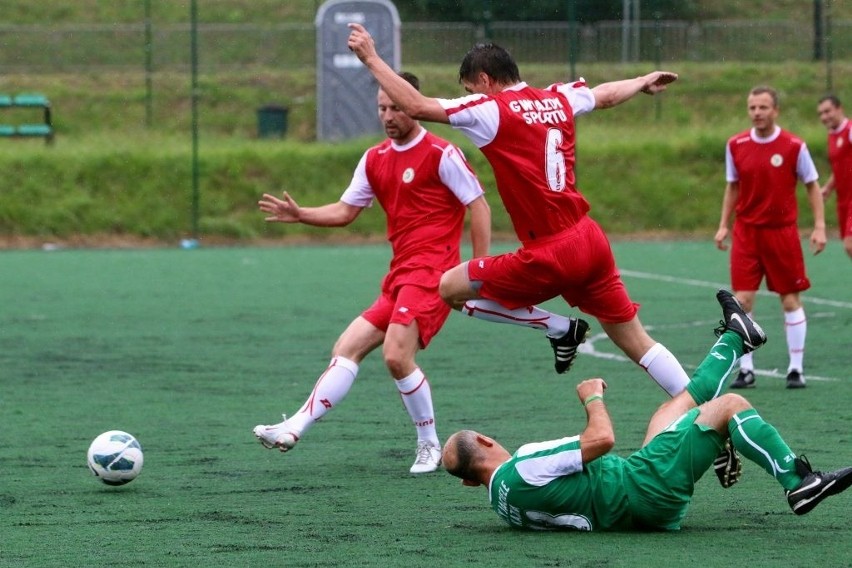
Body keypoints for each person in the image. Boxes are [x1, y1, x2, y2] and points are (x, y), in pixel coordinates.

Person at [347, 24, 691, 401]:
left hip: (551, 251)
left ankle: (559, 328)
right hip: (590, 239)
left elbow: (416, 106)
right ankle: (706, 412)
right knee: (638, 341)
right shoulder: (558, 97)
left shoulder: (491, 109)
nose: (469, 97)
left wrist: (371, 58)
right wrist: (643, 79)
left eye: (469, 89)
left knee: (450, 289)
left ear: (484, 79)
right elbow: (604, 95)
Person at [442, 290, 852, 531]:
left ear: (469, 483)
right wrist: (592, 397)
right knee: (731, 405)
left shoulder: (503, 505)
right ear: (485, 440)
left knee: (671, 411)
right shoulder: (522, 464)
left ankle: (736, 338)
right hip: (643, 486)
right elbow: (601, 441)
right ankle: (800, 482)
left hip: (634, 499)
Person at [252, 72, 492, 474]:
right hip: (398, 278)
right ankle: (293, 427)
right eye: (382, 108)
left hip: (432, 276)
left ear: (414, 103)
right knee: (346, 348)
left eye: (396, 106)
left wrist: (476, 271)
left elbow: (479, 206)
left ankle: (429, 445)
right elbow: (346, 211)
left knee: (397, 356)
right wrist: (301, 214)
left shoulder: (441, 153)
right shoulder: (375, 158)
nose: (388, 115)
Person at [715, 86, 826, 390]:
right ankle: (746, 369)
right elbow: (732, 186)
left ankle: (795, 368)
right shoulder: (735, 144)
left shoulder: (793, 145)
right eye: (752, 108)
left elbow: (813, 186)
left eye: (763, 107)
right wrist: (724, 224)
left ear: (775, 110)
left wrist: (819, 225)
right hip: (747, 233)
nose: (757, 113)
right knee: (743, 300)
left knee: (790, 301)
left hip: (782, 233)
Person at [816, 94, 852, 259]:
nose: (824, 116)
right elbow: (841, 168)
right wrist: (828, 188)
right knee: (848, 247)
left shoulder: (850, 130)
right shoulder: (832, 135)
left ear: (839, 109)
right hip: (843, 199)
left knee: (850, 244)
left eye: (827, 111)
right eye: (821, 113)